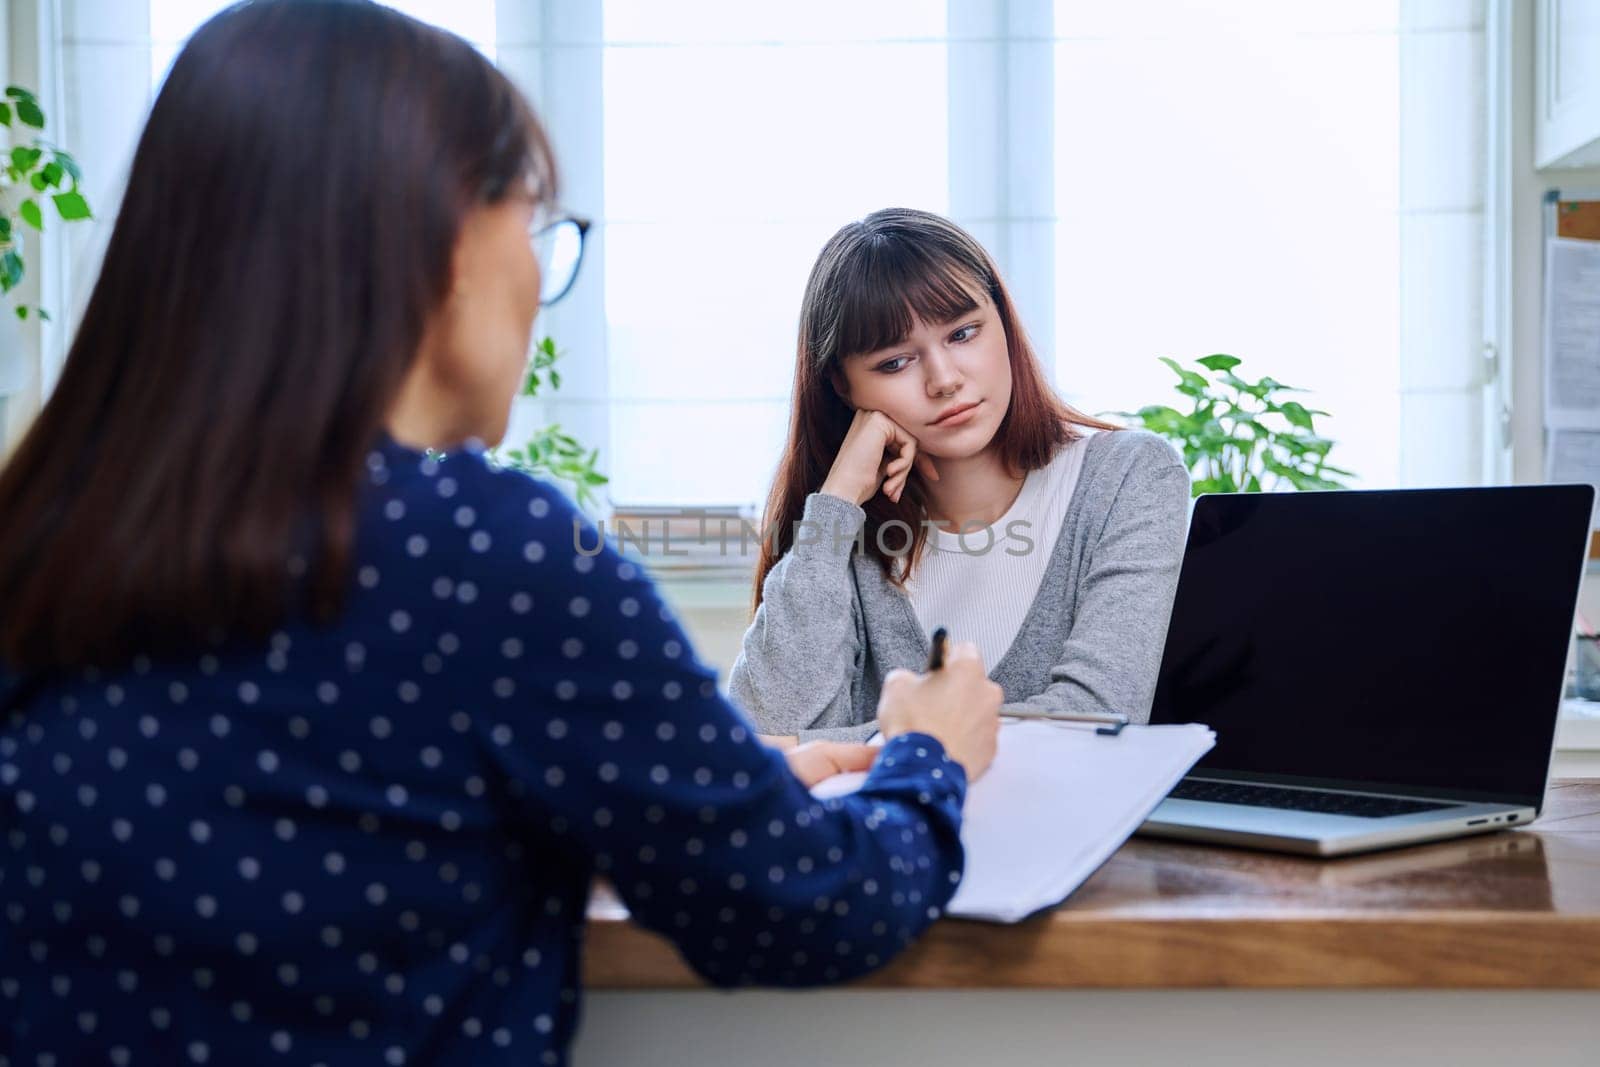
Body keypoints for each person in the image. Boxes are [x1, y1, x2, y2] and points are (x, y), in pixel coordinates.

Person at [0, 3, 1001, 1064]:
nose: (536, 284)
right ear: (442, 246)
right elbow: (809, 905)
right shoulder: (493, 558)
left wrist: (694, 788)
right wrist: (929, 756)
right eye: (533, 228)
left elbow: (342, 821)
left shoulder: (44, 531)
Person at [729, 209, 1191, 748]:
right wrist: (835, 502)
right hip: (888, 836)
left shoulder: (1128, 477)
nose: (945, 380)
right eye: (895, 363)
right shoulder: (843, 536)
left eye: (964, 333)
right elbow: (760, 739)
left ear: (1004, 321)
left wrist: (842, 747)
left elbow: (1095, 717)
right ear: (844, 387)